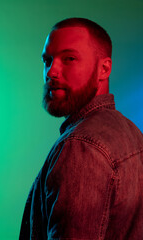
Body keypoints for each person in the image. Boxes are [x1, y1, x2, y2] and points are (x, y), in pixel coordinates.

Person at [19, 18, 143, 240]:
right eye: (47, 60)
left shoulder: (81, 145)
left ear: (104, 69)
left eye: (69, 59)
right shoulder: (131, 132)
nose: (51, 72)